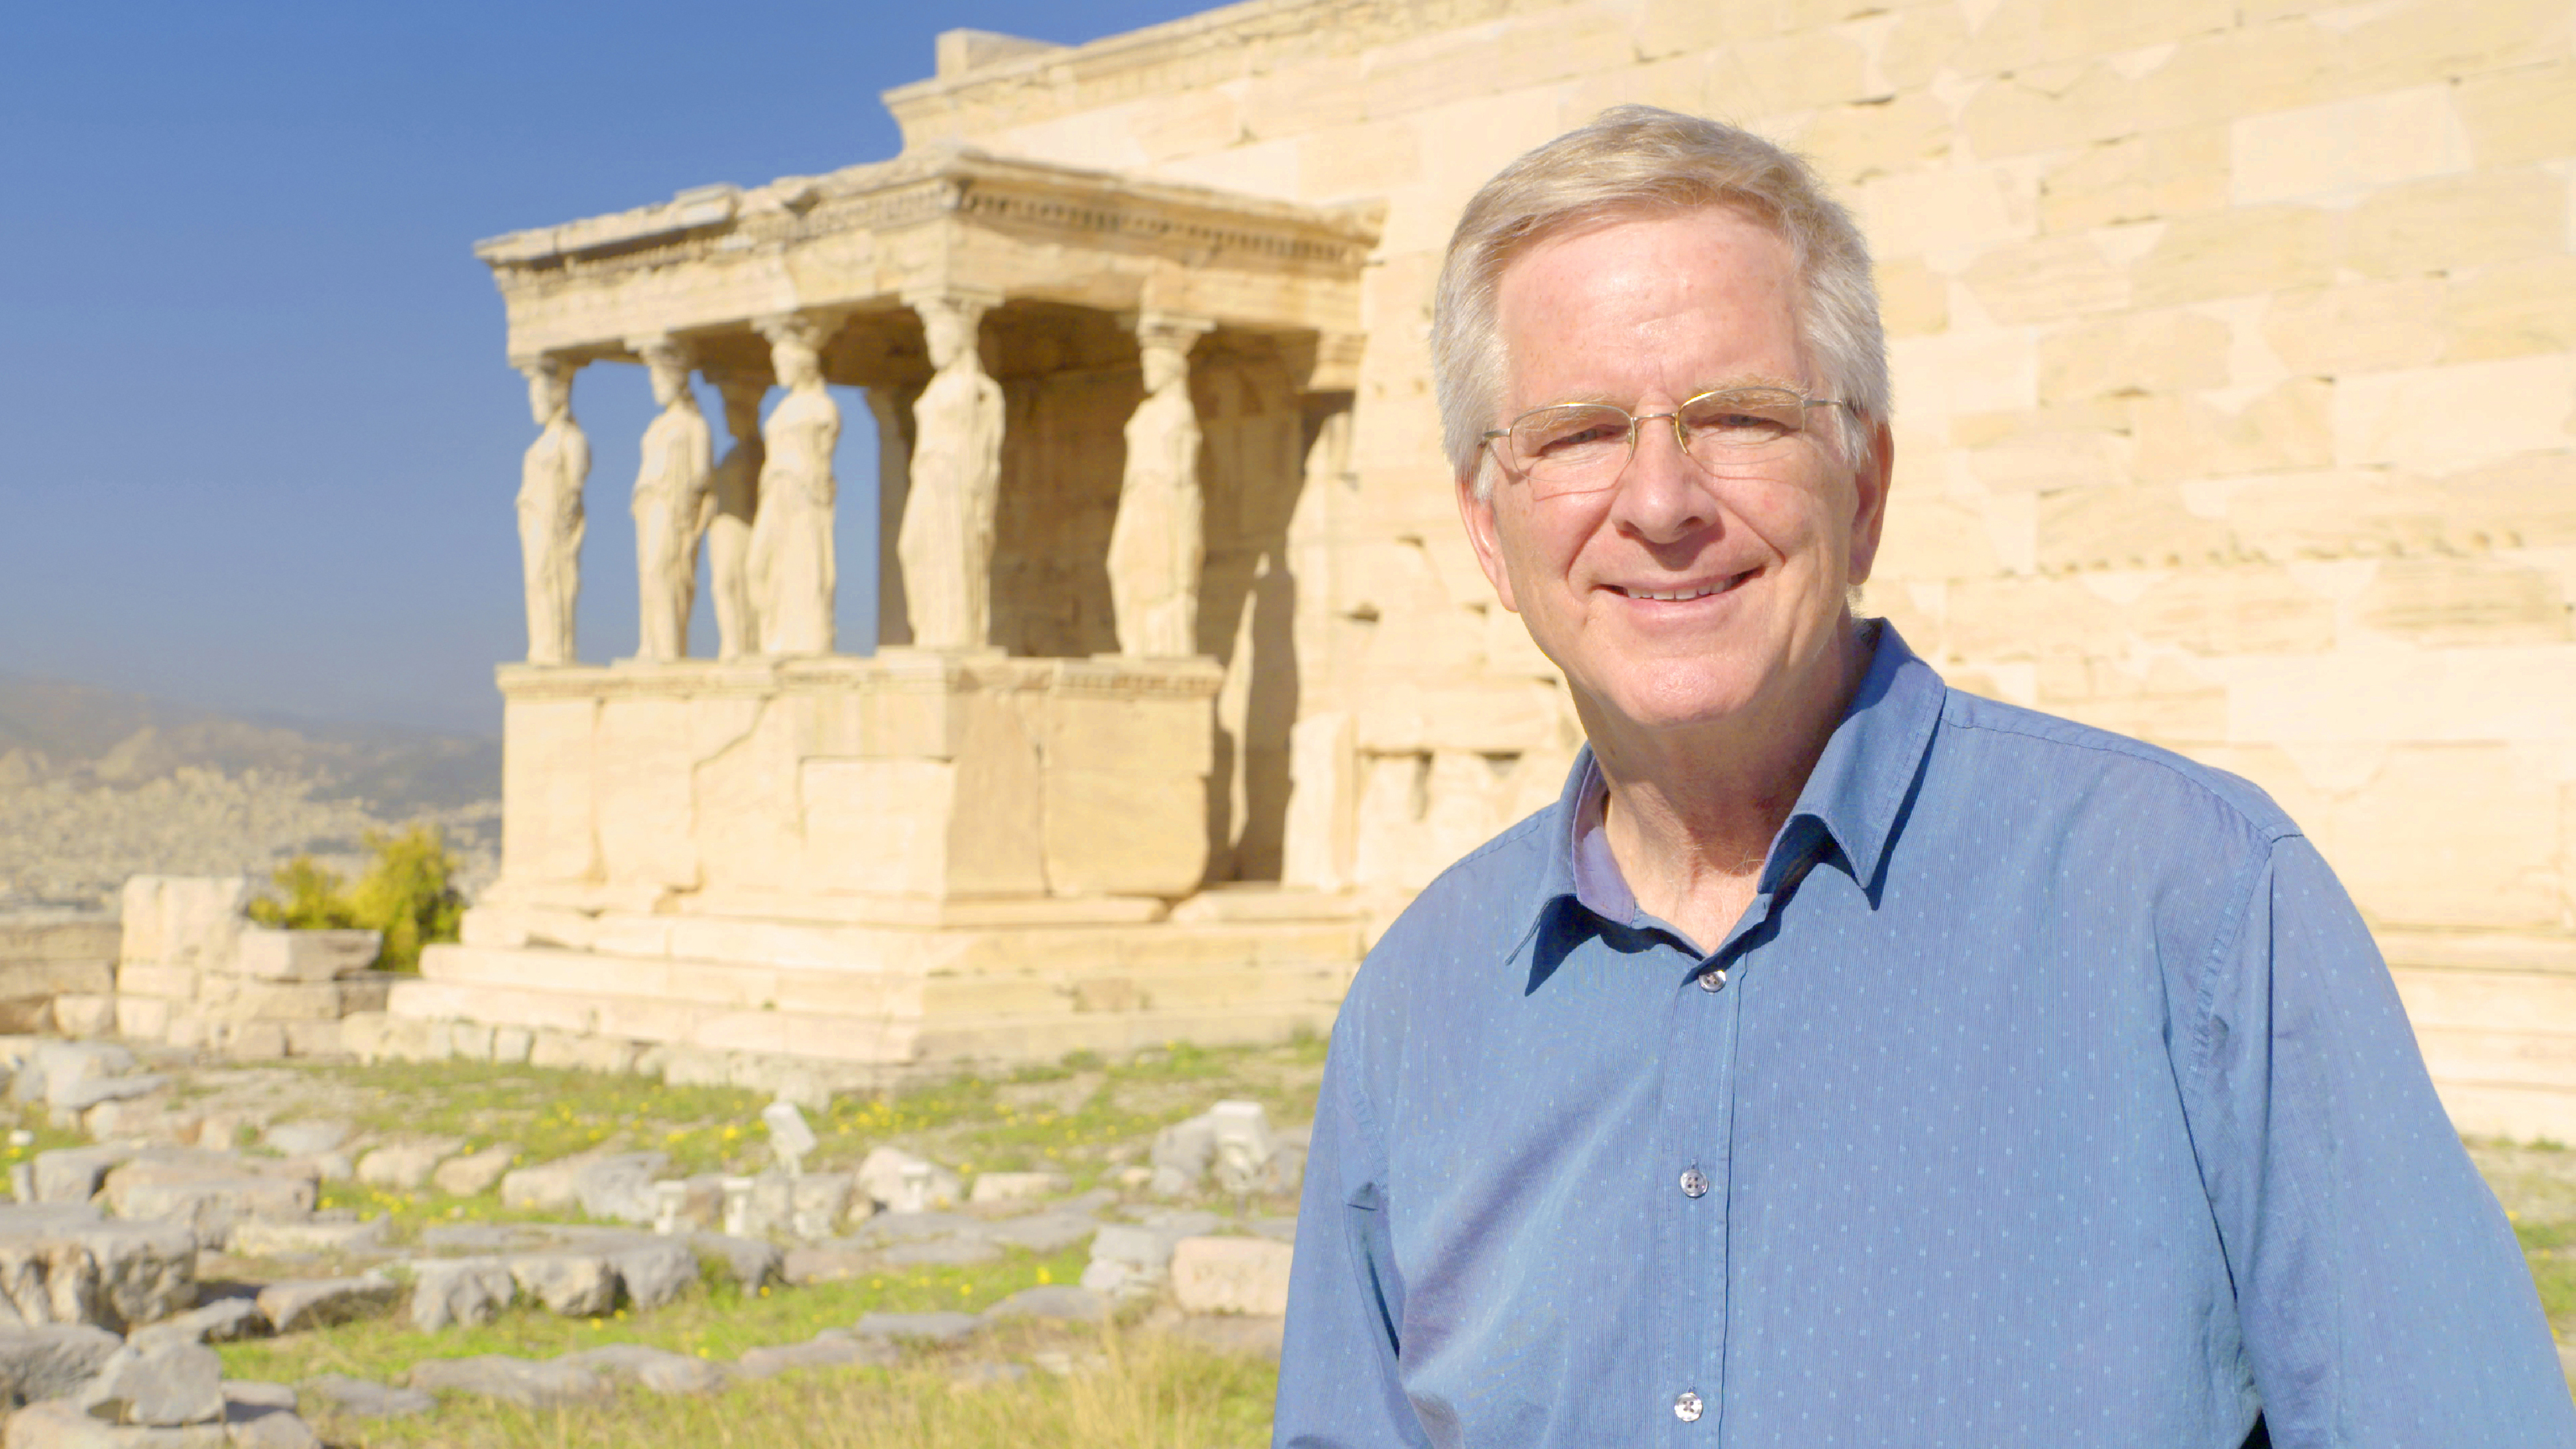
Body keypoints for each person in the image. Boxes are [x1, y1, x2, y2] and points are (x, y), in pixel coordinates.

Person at [1273, 105, 2573, 1448]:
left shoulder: (2197, 906)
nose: (1662, 503)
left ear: (1867, 486)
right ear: (1490, 534)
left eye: (1740, 417)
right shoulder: (1416, 1011)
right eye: (1581, 433)